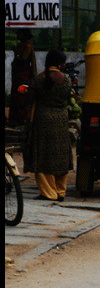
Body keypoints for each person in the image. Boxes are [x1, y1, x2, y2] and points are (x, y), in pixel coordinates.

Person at [22, 49, 73, 201]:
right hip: (61, 120)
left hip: (42, 120)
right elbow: (68, 98)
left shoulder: (38, 80)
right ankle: (60, 191)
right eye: (63, 62)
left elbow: (29, 100)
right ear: (59, 63)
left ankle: (48, 192)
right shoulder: (67, 80)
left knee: (43, 155)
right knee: (61, 155)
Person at [8, 29, 38, 127]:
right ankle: (15, 120)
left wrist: (16, 52)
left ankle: (21, 120)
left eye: (19, 34)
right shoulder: (23, 46)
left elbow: (23, 60)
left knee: (22, 98)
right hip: (18, 77)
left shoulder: (27, 46)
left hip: (23, 77)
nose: (17, 36)